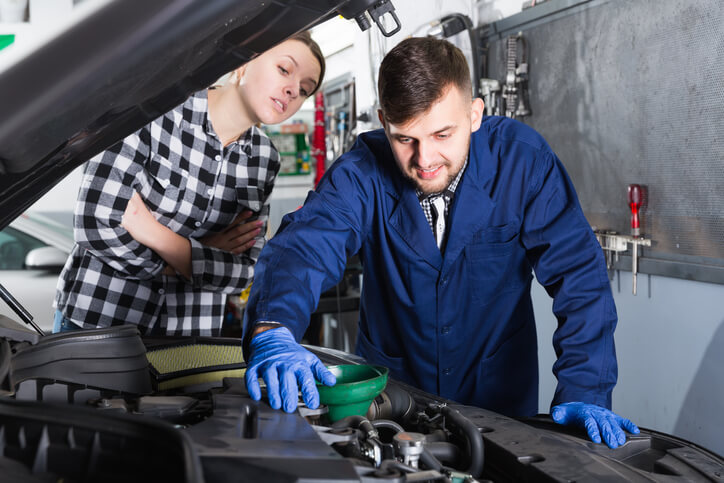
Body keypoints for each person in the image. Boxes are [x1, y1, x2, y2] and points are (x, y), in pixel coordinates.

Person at [242, 36, 640, 449]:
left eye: (442, 134)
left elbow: (579, 277)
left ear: (473, 114)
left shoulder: (523, 162)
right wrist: (274, 327)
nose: (425, 159)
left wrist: (585, 389)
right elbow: (305, 246)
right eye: (405, 139)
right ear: (383, 122)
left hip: (500, 402)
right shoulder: (362, 170)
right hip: (391, 404)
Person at [53, 31, 325, 336]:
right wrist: (197, 257)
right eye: (284, 70)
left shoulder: (263, 159)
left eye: (304, 89)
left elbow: (243, 274)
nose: (292, 90)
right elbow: (95, 224)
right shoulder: (154, 112)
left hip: (189, 339)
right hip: (99, 323)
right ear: (243, 63)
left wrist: (159, 237)